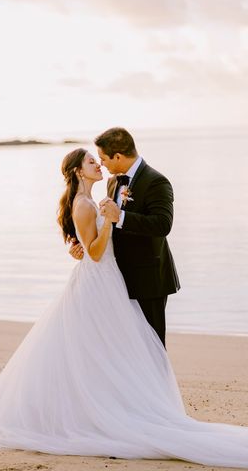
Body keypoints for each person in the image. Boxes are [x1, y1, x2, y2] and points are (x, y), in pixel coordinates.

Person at [0, 147, 248, 469]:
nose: (99, 166)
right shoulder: (83, 204)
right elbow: (94, 254)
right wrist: (111, 223)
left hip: (113, 282)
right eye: (90, 162)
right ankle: (97, 412)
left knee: (113, 351)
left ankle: (117, 404)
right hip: (99, 283)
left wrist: (105, 220)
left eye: (100, 161)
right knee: (94, 350)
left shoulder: (104, 193)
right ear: (77, 171)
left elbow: (85, 246)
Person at [69, 127, 179, 348]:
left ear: (117, 156)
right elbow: (108, 228)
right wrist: (84, 245)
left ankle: (158, 384)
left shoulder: (156, 181)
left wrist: (122, 216)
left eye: (103, 158)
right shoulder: (113, 182)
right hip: (117, 280)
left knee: (153, 348)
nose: (102, 164)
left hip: (149, 280)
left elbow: (163, 224)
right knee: (128, 349)